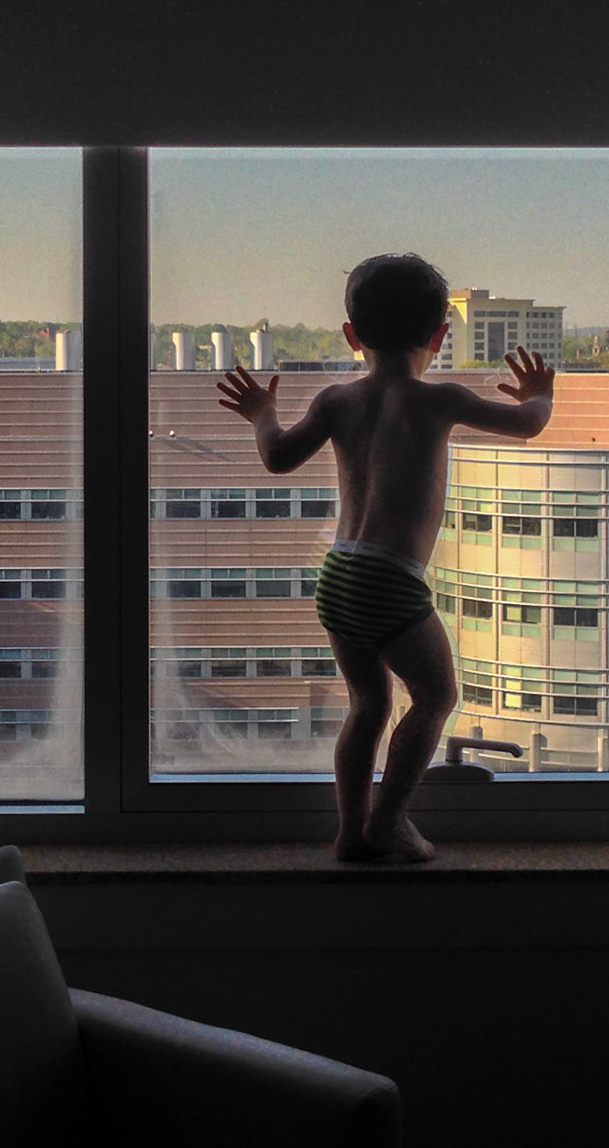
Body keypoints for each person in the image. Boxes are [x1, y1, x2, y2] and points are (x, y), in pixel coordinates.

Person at [217, 254, 554, 861]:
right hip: (390, 581)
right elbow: (528, 424)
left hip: (339, 575)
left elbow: (277, 457)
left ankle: (351, 831)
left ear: (352, 335)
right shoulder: (440, 399)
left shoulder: (336, 400)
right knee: (436, 697)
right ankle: (389, 820)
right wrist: (540, 394)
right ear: (439, 337)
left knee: (367, 703)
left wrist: (262, 411)